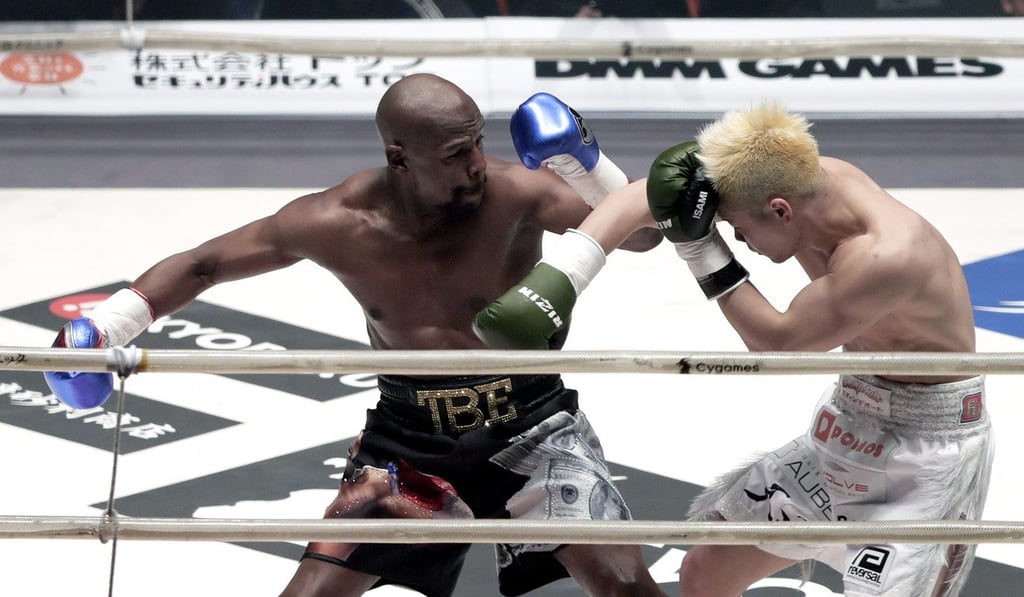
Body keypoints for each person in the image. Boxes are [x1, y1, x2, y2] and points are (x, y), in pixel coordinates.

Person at [42, 74, 667, 597]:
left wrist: (583, 161)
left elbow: (640, 234)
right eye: (456, 153)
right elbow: (204, 264)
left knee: (627, 587)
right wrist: (107, 325)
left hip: (531, 425)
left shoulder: (518, 194)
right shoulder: (335, 221)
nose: (478, 162)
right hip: (409, 441)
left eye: (478, 142)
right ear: (400, 157)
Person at [474, 101, 994, 596]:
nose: (740, 240)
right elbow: (646, 201)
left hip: (925, 454)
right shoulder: (790, 177)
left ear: (780, 211)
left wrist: (700, 247)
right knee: (706, 573)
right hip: (847, 423)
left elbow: (778, 343)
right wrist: (562, 277)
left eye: (740, 229)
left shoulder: (887, 256)